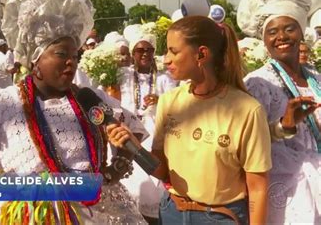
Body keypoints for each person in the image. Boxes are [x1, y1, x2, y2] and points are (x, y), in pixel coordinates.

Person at [0, 0, 148, 224]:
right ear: (35, 60)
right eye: (61, 54)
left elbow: (131, 130)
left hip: (97, 212)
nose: (71, 61)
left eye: (74, 55)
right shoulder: (3, 103)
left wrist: (119, 164)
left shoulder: (90, 99)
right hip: (27, 214)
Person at [111, 16, 272, 224]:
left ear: (201, 54)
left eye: (173, 51)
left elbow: (258, 188)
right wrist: (134, 147)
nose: (165, 59)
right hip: (171, 213)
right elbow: (162, 171)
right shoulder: (170, 101)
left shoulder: (247, 110)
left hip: (220, 217)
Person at [238, 0, 320, 224]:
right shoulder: (258, 83)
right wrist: (285, 126)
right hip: (286, 189)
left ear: (301, 33)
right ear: (264, 40)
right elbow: (248, 143)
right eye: (272, 32)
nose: (281, 36)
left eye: (289, 28)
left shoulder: (316, 78)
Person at [115, 24, 177, 223]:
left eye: (149, 50)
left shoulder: (166, 79)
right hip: (129, 131)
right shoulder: (121, 76)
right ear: (133, 53)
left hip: (155, 129)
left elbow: (176, 106)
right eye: (140, 50)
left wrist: (159, 100)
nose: (145, 54)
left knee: (154, 181)